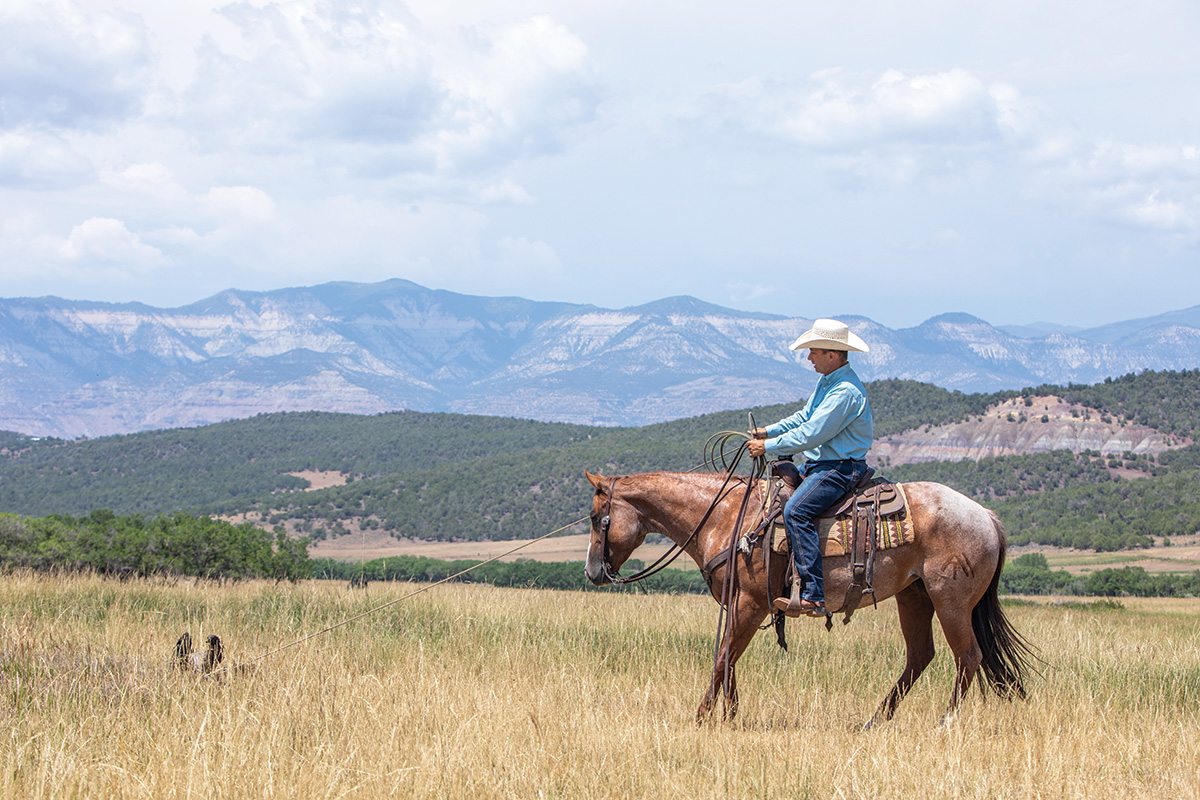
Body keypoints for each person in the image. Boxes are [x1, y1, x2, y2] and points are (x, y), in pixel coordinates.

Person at [746, 318, 874, 618]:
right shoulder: (829, 382)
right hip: (822, 463)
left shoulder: (845, 392)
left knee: (796, 511)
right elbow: (804, 417)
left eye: (813, 351)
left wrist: (768, 447)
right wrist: (768, 431)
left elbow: (812, 434)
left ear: (832, 354)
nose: (808, 357)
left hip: (840, 468)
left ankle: (813, 595)